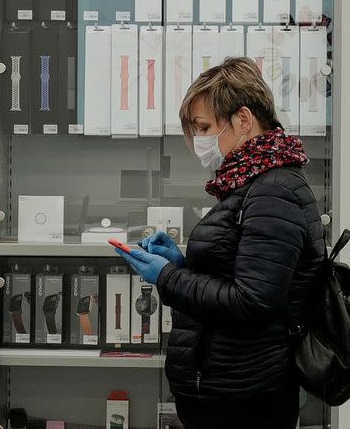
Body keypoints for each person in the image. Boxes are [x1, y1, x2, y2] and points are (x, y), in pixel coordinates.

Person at [115, 58, 325, 429]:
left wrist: (167, 276)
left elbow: (252, 302)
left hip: (245, 399)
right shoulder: (253, 184)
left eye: (205, 128)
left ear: (244, 120)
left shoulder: (273, 191)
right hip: (227, 391)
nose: (199, 142)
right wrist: (179, 264)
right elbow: (237, 274)